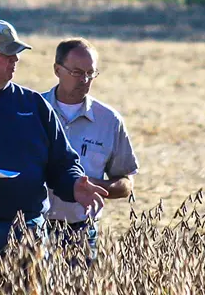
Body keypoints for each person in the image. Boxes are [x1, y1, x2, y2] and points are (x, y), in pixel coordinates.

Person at [0, 18, 109, 256]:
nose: (15, 59)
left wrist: (74, 183)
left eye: (16, 53)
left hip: (27, 235)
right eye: (7, 53)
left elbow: (62, 162)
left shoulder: (34, 106)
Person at [42, 38, 139, 259]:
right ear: (57, 70)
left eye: (91, 73)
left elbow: (126, 183)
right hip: (34, 228)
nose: (84, 80)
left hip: (82, 232)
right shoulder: (32, 111)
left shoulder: (110, 121)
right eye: (77, 72)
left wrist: (95, 186)